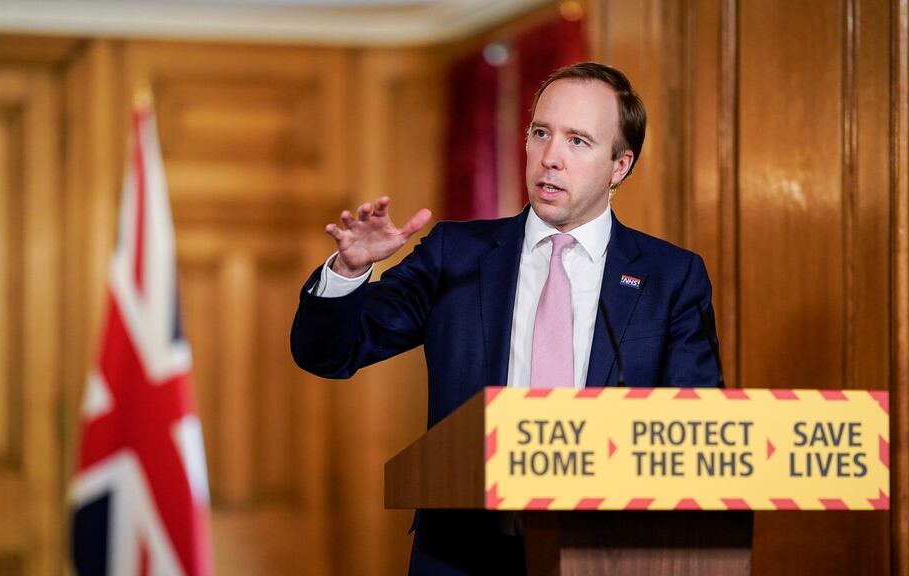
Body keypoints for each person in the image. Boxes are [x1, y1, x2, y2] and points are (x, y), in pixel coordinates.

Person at [291, 62, 721, 575]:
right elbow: (329, 353)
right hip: (466, 553)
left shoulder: (670, 277)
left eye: (578, 141)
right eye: (541, 133)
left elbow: (695, 431)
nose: (550, 158)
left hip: (610, 552)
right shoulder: (457, 254)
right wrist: (348, 271)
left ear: (619, 166)